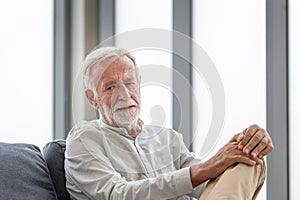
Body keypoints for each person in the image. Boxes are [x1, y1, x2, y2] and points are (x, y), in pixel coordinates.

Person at [65, 47, 274, 200]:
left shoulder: (167, 138)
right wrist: (205, 169)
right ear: (93, 99)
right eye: (110, 87)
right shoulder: (84, 139)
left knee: (248, 159)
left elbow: (208, 187)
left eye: (129, 83)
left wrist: (247, 142)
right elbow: (117, 195)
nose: (124, 94)